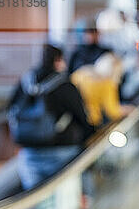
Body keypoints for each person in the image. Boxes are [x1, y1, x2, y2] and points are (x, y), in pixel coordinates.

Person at [9, 44, 94, 190]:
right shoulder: (65, 85)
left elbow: (10, 108)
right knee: (68, 196)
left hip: (29, 154)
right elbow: (81, 116)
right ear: (58, 60)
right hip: (62, 152)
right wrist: (89, 137)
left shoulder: (25, 82)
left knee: (34, 200)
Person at [71, 51, 134, 127]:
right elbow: (112, 111)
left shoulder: (81, 73)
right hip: (91, 121)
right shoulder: (107, 83)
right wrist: (129, 110)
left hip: (74, 119)